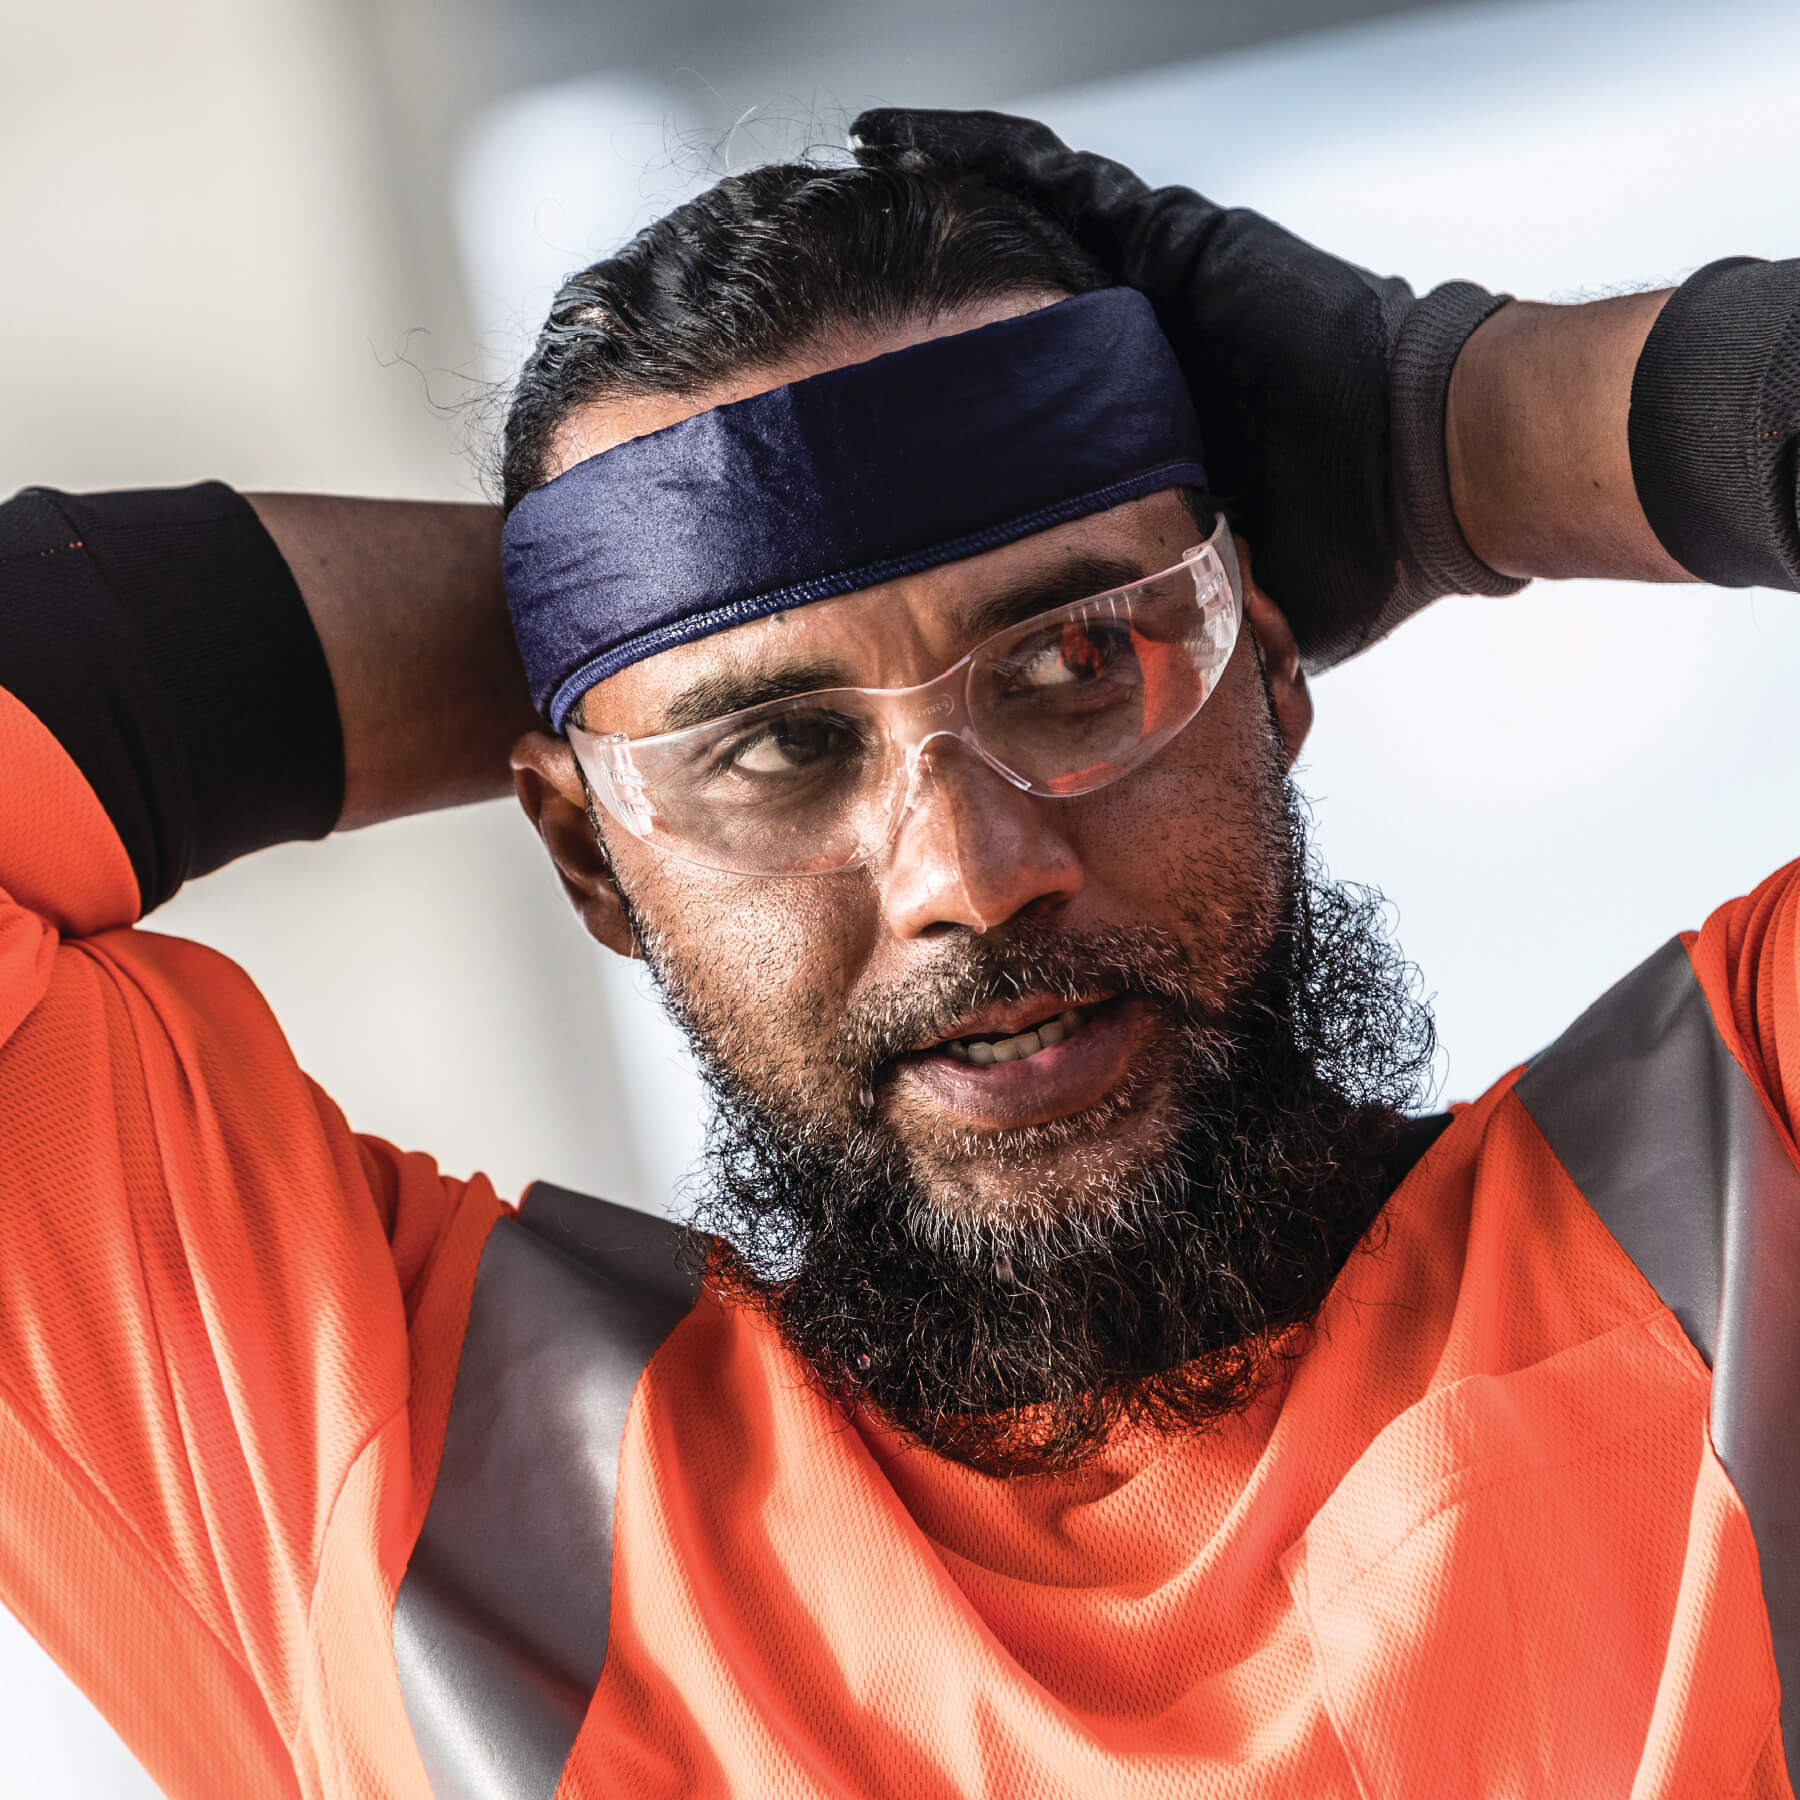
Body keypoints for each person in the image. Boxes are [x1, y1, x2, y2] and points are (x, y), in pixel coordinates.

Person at [0, 108, 1794, 1799]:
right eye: (777, 751)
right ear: (588, 859)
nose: (970, 872)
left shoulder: (1750, 1206)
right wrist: (621, 585)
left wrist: (1462, 432)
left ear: (1265, 666)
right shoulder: (402, 1521)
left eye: (1078, 663)